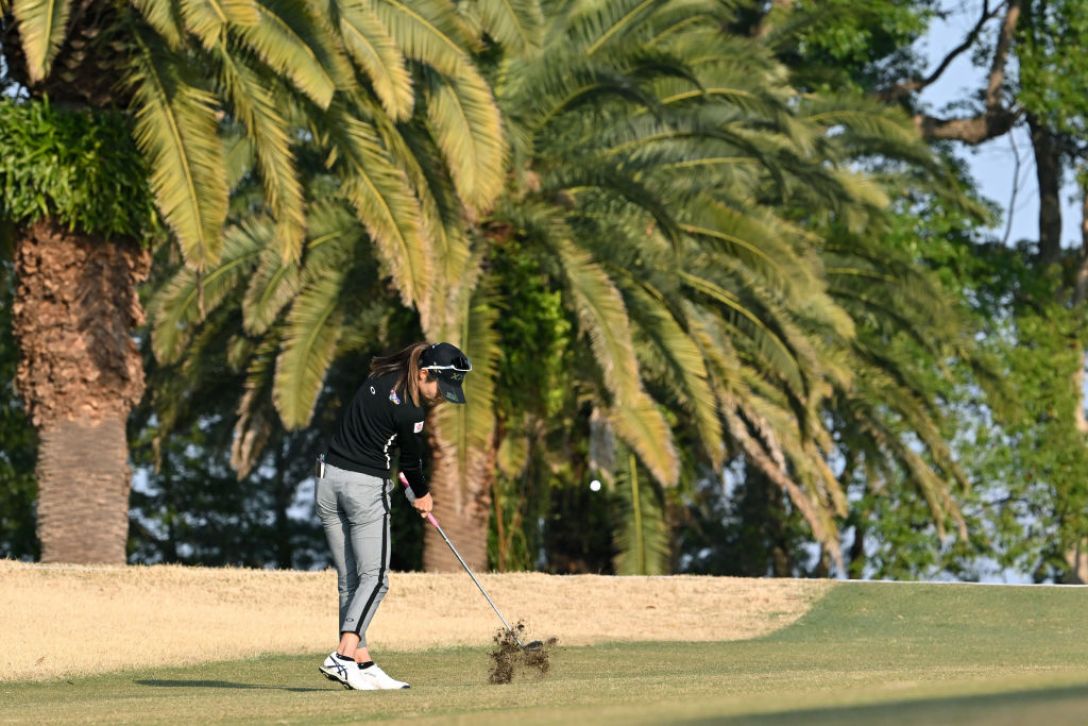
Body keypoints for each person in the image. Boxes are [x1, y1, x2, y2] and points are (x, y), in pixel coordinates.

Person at [315, 341, 471, 690]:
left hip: (327, 482)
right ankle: (342, 656)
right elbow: (412, 464)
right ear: (424, 372)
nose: (442, 396)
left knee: (351, 580)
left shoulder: (381, 377)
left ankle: (362, 662)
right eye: (441, 388)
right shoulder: (412, 413)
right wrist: (422, 495)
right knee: (376, 579)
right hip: (364, 491)